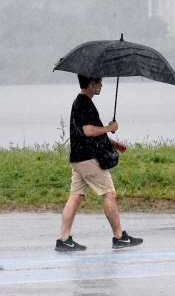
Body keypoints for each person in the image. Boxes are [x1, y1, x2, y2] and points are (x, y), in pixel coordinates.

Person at [55, 75, 143, 252]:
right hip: (88, 158)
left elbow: (90, 132)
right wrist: (110, 128)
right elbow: (89, 131)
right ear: (92, 83)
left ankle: (64, 239)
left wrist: (112, 142)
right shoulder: (83, 103)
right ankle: (119, 237)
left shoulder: (82, 102)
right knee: (109, 194)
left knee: (76, 196)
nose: (102, 85)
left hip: (79, 158)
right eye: (100, 82)